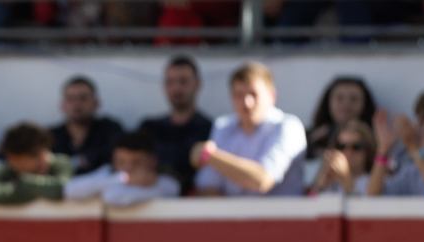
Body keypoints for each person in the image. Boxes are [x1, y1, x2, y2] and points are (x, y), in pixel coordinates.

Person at [191, 61, 307, 197]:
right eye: (239, 95)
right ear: (232, 97)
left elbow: (262, 180)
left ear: (272, 96)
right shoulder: (223, 126)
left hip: (283, 217)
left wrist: (209, 156)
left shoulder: (289, 126)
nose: (247, 102)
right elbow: (207, 187)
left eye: (253, 94)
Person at [137, 56, 212, 194]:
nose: (176, 88)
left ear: (198, 84)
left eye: (183, 81)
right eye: (170, 82)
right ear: (164, 86)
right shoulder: (148, 128)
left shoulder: (212, 129)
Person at [63, 130, 181, 206]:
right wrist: (124, 179)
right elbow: (70, 190)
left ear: (153, 163)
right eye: (121, 162)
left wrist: (120, 180)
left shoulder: (165, 181)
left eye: (136, 162)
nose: (127, 168)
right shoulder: (109, 172)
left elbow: (113, 197)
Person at [49, 76, 124, 176]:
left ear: (96, 103)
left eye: (83, 98)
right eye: (71, 99)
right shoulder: (51, 136)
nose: (77, 104)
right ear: (62, 105)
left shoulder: (110, 130)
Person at [0, 123, 72, 204]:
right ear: (13, 158)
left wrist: (23, 183)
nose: (43, 159)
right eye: (34, 155)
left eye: (44, 151)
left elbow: (63, 189)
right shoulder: (7, 170)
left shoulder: (60, 163)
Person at [306, 76, 376, 158]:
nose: (346, 105)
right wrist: (310, 142)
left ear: (365, 104)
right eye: (339, 98)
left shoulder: (377, 139)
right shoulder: (310, 137)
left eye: (354, 99)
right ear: (328, 102)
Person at [310, 120, 374, 195]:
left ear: (368, 150)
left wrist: (346, 178)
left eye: (356, 147)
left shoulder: (375, 181)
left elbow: (365, 206)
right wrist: (318, 186)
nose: (348, 152)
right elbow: (309, 204)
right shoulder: (330, 180)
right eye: (341, 146)